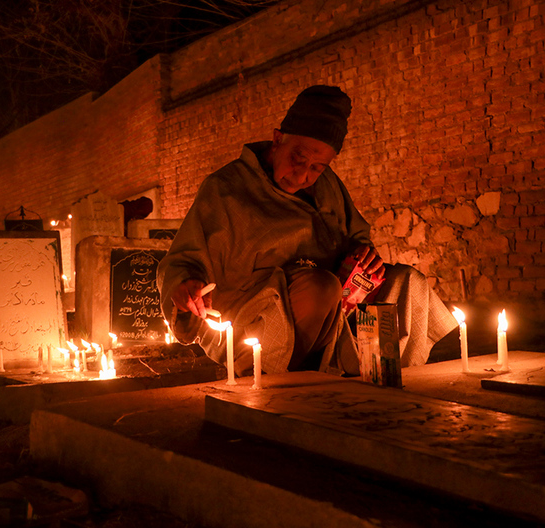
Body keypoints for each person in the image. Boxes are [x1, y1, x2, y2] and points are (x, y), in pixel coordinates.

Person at [157, 85, 457, 377]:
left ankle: (383, 375)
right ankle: (277, 380)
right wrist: (186, 286)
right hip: (255, 316)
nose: (303, 176)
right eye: (298, 159)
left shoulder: (328, 186)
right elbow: (182, 261)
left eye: (317, 167)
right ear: (277, 140)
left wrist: (365, 258)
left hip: (341, 305)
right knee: (321, 289)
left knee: (407, 281)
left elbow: (357, 236)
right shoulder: (226, 189)